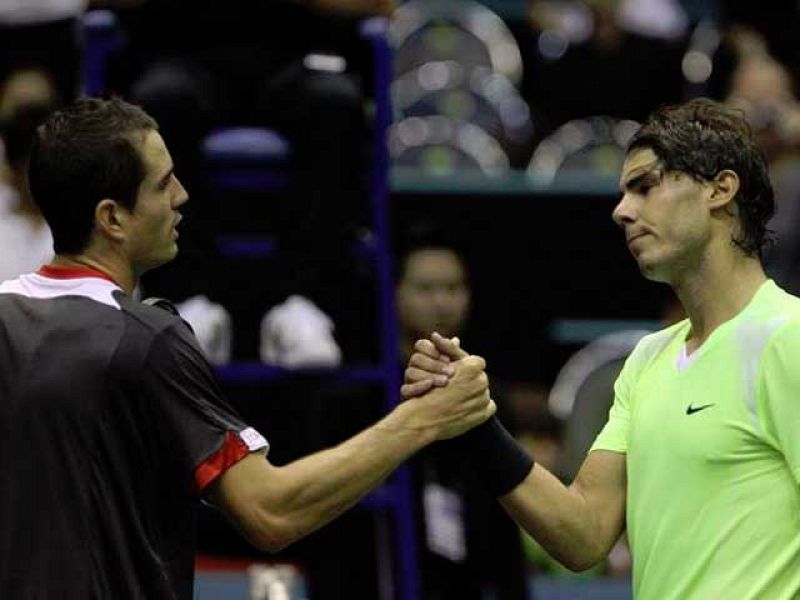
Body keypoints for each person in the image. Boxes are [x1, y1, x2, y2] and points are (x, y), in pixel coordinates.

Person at [0, 96, 496, 598]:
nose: (182, 195)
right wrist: (423, 418)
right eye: (162, 183)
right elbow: (269, 511)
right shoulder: (146, 339)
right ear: (112, 219)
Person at [404, 98, 800, 598]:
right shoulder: (647, 360)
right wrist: (478, 420)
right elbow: (583, 532)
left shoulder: (789, 339)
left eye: (646, 186)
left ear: (720, 190)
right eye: (624, 193)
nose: (622, 211)